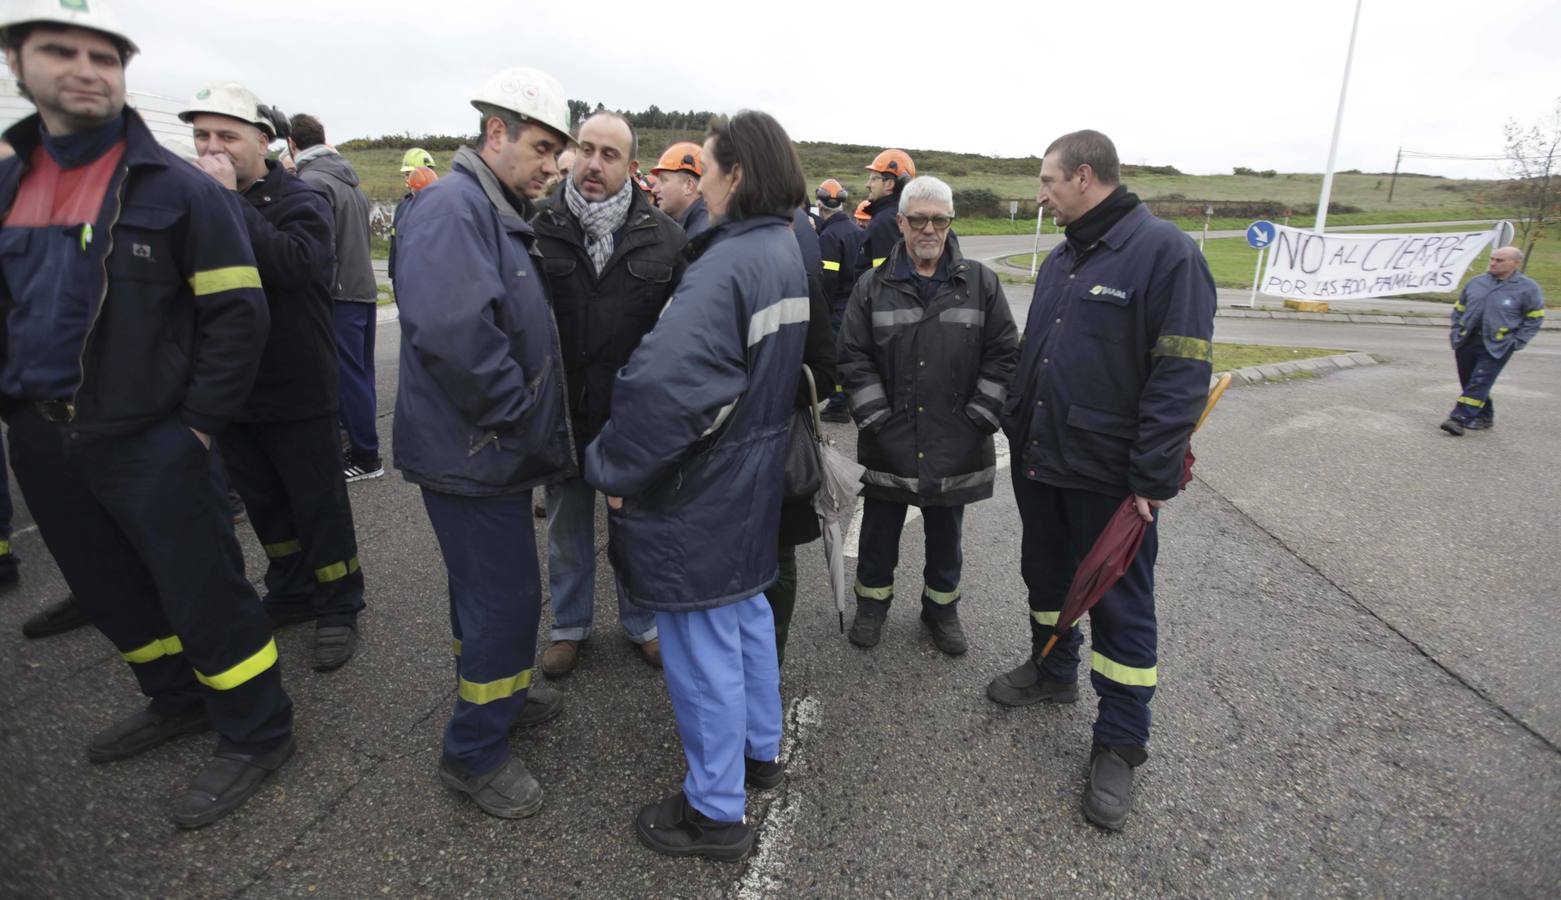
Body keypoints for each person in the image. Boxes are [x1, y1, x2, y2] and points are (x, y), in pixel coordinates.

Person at [0, 1, 294, 828]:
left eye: (105, 54)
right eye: (60, 50)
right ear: (17, 65)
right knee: (110, 589)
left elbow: (240, 315)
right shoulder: (9, 185)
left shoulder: (175, 188)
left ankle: (257, 727)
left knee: (205, 590)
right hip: (44, 436)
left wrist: (196, 425)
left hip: (153, 440)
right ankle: (173, 698)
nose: (87, 69)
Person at [585, 110, 809, 862]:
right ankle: (758, 751)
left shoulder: (724, 266)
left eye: (706, 167)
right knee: (744, 616)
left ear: (734, 176)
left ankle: (713, 811)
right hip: (749, 479)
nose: (698, 179)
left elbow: (662, 387)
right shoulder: (782, 247)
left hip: (699, 491)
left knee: (700, 646)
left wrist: (614, 468)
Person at [988, 129, 1216, 831]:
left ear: (1084, 177)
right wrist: (1012, 419)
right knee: (1045, 575)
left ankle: (1119, 743)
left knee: (1119, 605)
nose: (1041, 194)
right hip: (1042, 457)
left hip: (1112, 476)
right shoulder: (1063, 256)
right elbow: (1043, 354)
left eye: (1048, 181)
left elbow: (1180, 375)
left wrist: (1150, 478)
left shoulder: (1167, 255)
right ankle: (1052, 672)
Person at [392, 66, 572, 819]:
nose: (552, 166)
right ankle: (473, 754)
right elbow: (456, 337)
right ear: (494, 133)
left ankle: (501, 694)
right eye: (541, 148)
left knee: (484, 597)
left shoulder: (484, 207)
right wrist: (521, 420)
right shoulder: (451, 209)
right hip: (477, 452)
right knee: (504, 603)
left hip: (481, 450)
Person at [181, 82, 367, 672]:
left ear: (262, 141)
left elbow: (295, 265)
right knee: (265, 506)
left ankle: (339, 602)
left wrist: (226, 200)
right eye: (203, 136)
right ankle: (290, 590)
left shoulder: (299, 196)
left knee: (318, 505)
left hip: (296, 386)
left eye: (227, 136)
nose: (214, 148)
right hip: (233, 389)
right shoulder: (195, 201)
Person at [530, 111, 685, 676]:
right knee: (567, 530)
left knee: (634, 529)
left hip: (629, 423)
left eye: (609, 154)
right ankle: (568, 626)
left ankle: (642, 622)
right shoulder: (536, 224)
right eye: (586, 150)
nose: (594, 164)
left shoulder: (666, 239)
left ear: (632, 167)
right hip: (562, 414)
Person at [837, 176, 1016, 656]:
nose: (929, 230)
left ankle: (942, 609)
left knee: (945, 538)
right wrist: (877, 418)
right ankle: (872, 606)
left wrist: (979, 415)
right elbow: (853, 356)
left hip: (955, 441)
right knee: (878, 533)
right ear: (901, 223)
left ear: (950, 222)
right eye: (918, 220)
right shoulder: (872, 287)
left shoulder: (980, 283)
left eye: (939, 220)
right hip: (889, 439)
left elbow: (1004, 355)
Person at [289, 113, 382, 482]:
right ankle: (362, 443)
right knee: (360, 375)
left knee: (347, 378)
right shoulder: (349, 181)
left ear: (292, 144)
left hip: (338, 293)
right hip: (362, 289)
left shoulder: (312, 182)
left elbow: (319, 248)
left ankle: (365, 455)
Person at [1439, 246, 1544, 435]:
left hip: (1498, 345)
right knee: (1470, 381)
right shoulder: (1476, 282)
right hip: (1467, 340)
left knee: (1479, 381)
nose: (1493, 263)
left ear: (1515, 263)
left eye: (1500, 260)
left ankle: (1458, 419)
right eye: (1492, 259)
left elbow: (1534, 317)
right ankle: (1485, 416)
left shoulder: (1528, 288)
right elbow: (1459, 309)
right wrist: (1456, 330)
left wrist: (1518, 341)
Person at [814, 178, 859, 423]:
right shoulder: (856, 230)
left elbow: (828, 279)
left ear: (820, 205)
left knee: (836, 356)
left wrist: (822, 309)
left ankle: (838, 405)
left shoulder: (829, 236)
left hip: (838, 306)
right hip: (855, 303)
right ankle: (847, 401)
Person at [859, 148, 914, 270]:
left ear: (889, 184)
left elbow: (884, 278)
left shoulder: (884, 222)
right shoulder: (907, 214)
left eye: (873, 178)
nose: (867, 184)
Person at [387, 147, 436, 283]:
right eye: (406, 174)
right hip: (402, 278)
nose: (406, 179)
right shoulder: (403, 206)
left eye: (409, 173)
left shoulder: (437, 206)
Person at [650, 140, 708, 238]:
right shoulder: (693, 227)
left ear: (688, 186)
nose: (654, 190)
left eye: (663, 180)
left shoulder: (701, 235)